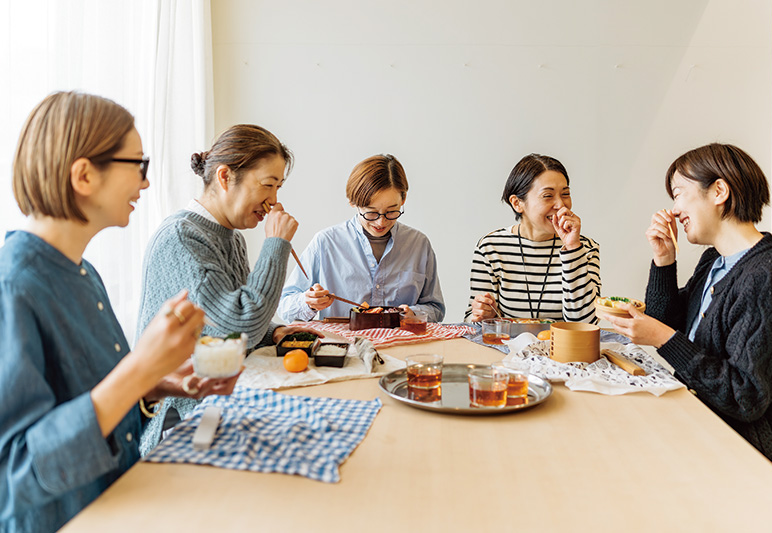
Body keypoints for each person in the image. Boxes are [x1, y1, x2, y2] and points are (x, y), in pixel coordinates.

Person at [0, 91, 226, 532]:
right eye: (138, 165)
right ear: (83, 174)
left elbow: (98, 415)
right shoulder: (13, 287)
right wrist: (139, 368)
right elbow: (14, 476)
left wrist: (154, 387)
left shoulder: (85, 274)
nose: (145, 184)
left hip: (122, 505)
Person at [603, 143, 772, 484]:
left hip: (753, 457)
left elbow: (745, 396)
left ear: (719, 191)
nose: (674, 208)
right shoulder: (716, 260)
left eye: (679, 194)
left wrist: (664, 339)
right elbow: (671, 321)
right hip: (704, 427)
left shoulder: (770, 275)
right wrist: (664, 261)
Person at [137, 124, 315, 454]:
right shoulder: (183, 238)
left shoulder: (229, 237)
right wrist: (275, 245)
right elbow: (238, 322)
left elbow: (235, 321)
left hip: (221, 399)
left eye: (278, 187)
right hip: (181, 417)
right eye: (268, 185)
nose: (274, 200)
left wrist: (274, 332)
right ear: (224, 177)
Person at [278, 154, 445, 322]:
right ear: (352, 202)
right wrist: (309, 303)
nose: (381, 222)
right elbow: (285, 306)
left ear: (403, 199)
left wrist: (414, 314)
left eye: (391, 211)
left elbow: (435, 308)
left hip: (402, 346)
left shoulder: (419, 244)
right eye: (371, 212)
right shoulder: (326, 242)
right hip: (344, 346)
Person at [466, 154, 600, 323]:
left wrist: (572, 249)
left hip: (563, 348)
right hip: (506, 348)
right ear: (517, 203)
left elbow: (586, 324)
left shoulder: (585, 249)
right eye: (548, 196)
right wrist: (481, 314)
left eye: (565, 194)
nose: (561, 204)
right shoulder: (491, 248)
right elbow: (473, 322)